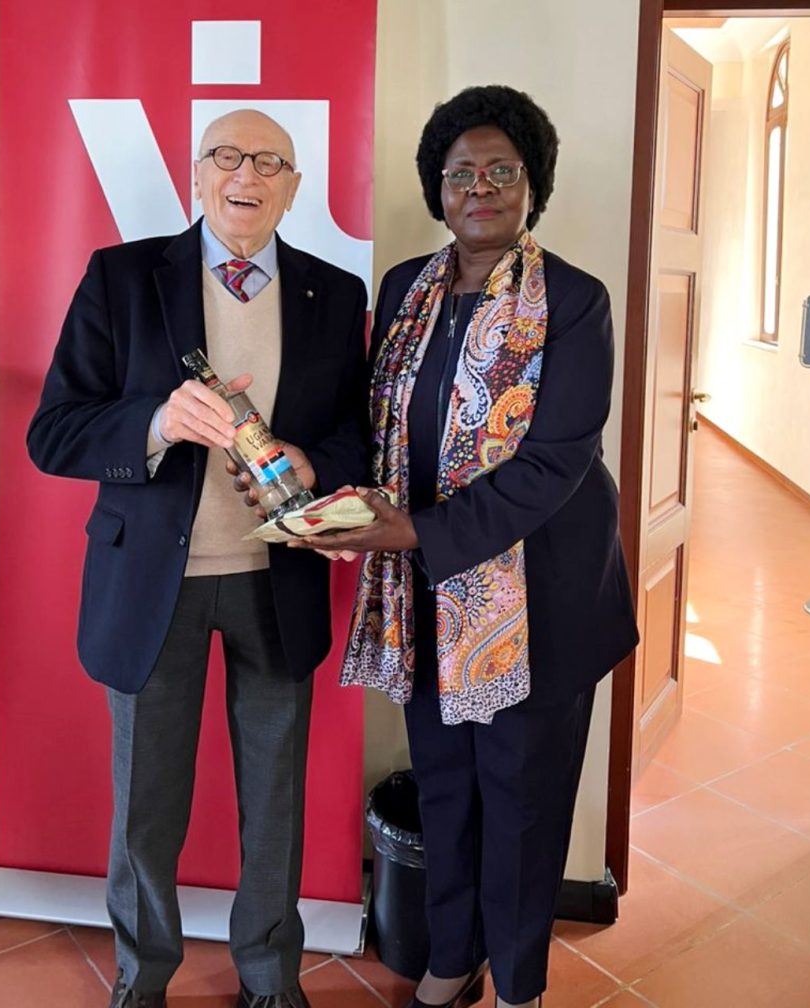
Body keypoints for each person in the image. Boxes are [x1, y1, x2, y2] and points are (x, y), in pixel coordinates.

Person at [291, 86, 638, 1008]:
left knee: (522, 802)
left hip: (542, 597)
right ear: (437, 190)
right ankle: (454, 955)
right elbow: (379, 427)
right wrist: (334, 504)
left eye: (500, 171)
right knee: (446, 783)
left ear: (533, 185)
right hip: (425, 596)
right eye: (460, 174)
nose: (479, 187)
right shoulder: (406, 289)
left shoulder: (575, 300)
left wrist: (414, 530)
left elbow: (557, 458)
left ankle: (519, 984)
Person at [27, 109, 368, 1008]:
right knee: (146, 806)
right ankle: (142, 978)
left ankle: (268, 977)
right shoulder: (122, 278)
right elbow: (53, 430)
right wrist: (156, 421)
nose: (244, 174)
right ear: (197, 172)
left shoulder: (334, 294)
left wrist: (311, 462)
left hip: (275, 579)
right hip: (154, 588)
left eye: (268, 161)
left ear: (294, 187)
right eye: (225, 155)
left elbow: (358, 435)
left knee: (274, 805)